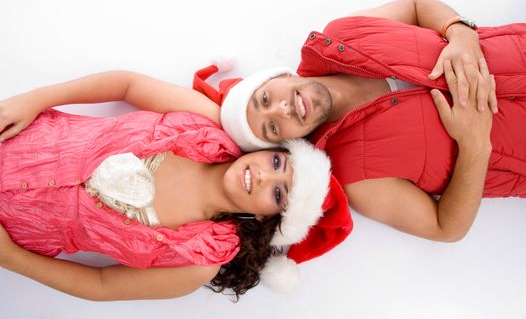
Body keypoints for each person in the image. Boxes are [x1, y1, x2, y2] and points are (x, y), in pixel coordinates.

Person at [191, 0, 526, 242]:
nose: (282, 108)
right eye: (273, 127)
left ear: (274, 77)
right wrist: (475, 145)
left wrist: (461, 32)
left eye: (265, 98)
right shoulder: (358, 179)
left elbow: (416, 7)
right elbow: (446, 227)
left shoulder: (341, 35)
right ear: (287, 143)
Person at [0, 82, 353, 300]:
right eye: (277, 164)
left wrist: (15, 260)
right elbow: (126, 85)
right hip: (13, 135)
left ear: (265, 217)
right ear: (269, 149)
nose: (264, 177)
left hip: (10, 229)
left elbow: (103, 285)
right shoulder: (203, 121)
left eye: (278, 195)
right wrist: (34, 99)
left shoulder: (198, 263)